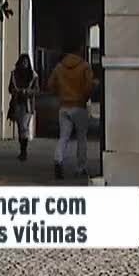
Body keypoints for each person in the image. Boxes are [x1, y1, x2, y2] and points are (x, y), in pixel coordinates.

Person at [47, 30, 95, 179]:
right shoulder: (85, 66)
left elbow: (50, 85)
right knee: (81, 138)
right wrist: (84, 97)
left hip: (64, 107)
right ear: (80, 48)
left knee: (63, 137)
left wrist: (60, 94)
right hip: (79, 106)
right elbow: (89, 86)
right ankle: (80, 167)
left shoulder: (59, 67)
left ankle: (58, 159)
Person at [8, 54, 39, 161]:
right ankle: (22, 150)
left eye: (26, 62)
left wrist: (27, 92)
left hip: (27, 105)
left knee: (24, 127)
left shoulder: (33, 75)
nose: (24, 64)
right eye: (22, 62)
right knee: (20, 127)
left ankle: (24, 152)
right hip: (17, 103)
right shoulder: (14, 74)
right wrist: (16, 91)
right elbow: (10, 88)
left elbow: (36, 90)